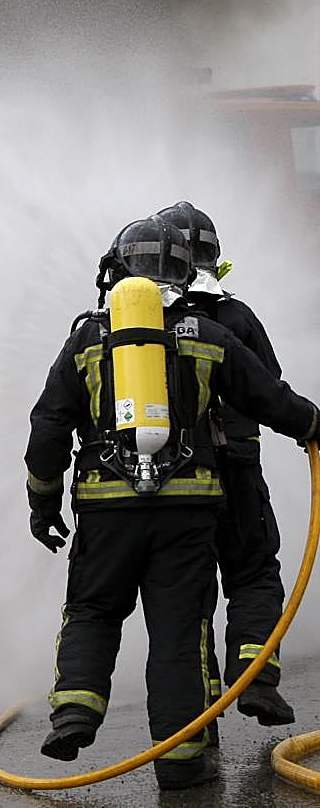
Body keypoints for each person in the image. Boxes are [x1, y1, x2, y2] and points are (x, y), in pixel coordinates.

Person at [24, 216, 318, 790]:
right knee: (180, 634)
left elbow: (48, 428)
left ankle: (76, 713)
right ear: (187, 270)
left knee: (92, 611)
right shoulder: (208, 335)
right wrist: (312, 424)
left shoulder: (89, 337)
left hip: (106, 507)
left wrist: (43, 502)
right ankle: (181, 763)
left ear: (118, 268)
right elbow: (268, 395)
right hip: (189, 508)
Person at [157, 201, 294, 728]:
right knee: (254, 573)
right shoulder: (235, 316)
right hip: (236, 468)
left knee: (188, 594)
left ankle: (197, 714)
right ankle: (256, 679)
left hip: (173, 481)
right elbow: (268, 388)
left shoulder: (135, 326)